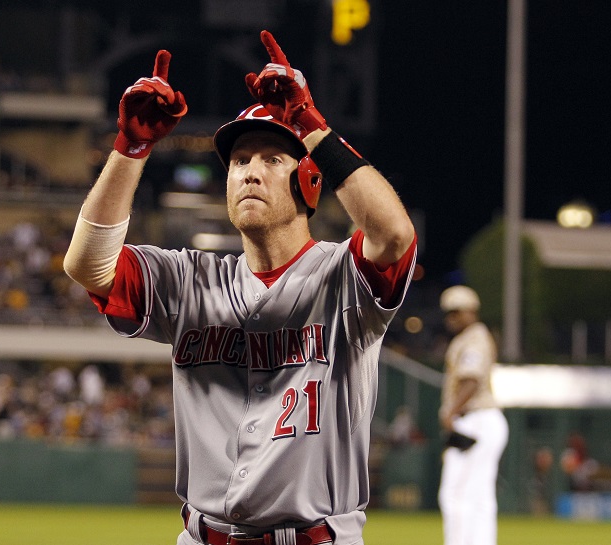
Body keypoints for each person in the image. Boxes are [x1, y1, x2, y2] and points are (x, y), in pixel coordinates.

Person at [64, 30, 417, 545]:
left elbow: (394, 234)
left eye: (272, 160)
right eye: (240, 161)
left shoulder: (345, 279)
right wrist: (131, 148)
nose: (250, 172)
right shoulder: (190, 279)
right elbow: (88, 265)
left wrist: (310, 124)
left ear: (309, 183)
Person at [436, 285, 508, 545]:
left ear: (471, 312)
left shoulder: (475, 338)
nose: (451, 318)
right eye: (448, 313)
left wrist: (451, 412)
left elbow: (471, 379)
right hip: (481, 420)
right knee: (478, 494)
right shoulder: (471, 337)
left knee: (455, 492)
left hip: (477, 419)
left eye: (457, 312)